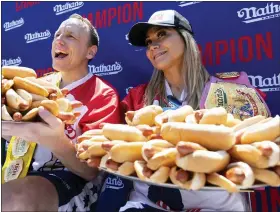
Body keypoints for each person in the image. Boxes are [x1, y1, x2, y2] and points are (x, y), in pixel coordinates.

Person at [97, 10, 271, 211]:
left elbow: (259, 159)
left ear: (186, 39)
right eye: (148, 42)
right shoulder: (137, 99)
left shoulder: (231, 92)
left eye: (162, 34)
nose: (153, 45)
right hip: (146, 205)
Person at [2, 14, 121, 212]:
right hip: (19, 171)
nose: (59, 39)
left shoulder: (103, 94)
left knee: (16, 198)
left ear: (90, 52)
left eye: (70, 36)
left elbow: (91, 172)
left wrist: (55, 141)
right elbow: (15, 137)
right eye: (57, 34)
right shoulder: (38, 85)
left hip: (74, 180)